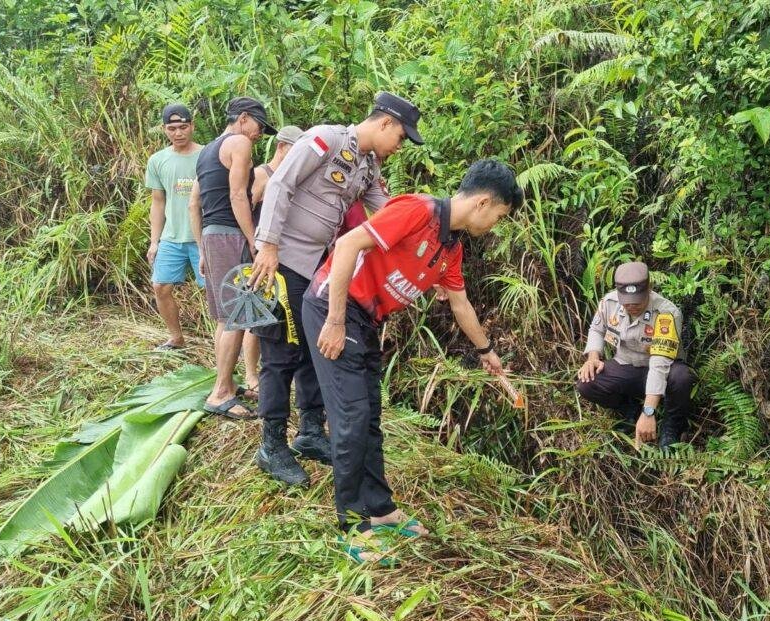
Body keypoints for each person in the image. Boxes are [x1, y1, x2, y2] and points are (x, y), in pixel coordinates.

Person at [303, 159, 524, 564]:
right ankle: (354, 527)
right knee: (350, 418)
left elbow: (461, 304)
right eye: (500, 215)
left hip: (366, 319)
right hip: (333, 309)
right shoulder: (416, 210)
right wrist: (334, 320)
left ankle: (381, 509)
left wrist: (486, 352)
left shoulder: (450, 246)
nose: (496, 223)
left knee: (368, 417)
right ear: (484, 203)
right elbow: (349, 245)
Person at [248, 92, 422, 486]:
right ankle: (271, 444)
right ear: (385, 124)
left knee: (313, 348)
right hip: (284, 259)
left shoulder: (365, 165)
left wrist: (432, 226)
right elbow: (280, 184)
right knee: (280, 351)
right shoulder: (325, 139)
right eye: (400, 137)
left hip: (318, 269)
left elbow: (392, 210)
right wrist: (268, 245)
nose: (399, 147)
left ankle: (310, 431)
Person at [191, 96, 276, 419]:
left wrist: (202, 247)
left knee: (226, 317)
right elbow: (238, 194)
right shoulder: (238, 142)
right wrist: (254, 239)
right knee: (237, 315)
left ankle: (224, 381)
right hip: (231, 233)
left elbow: (195, 203)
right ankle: (220, 393)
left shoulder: (207, 149)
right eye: (259, 126)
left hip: (214, 234)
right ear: (243, 118)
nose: (259, 134)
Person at [576, 261, 696, 449]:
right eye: (627, 302)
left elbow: (659, 363)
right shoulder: (609, 303)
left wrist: (649, 411)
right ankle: (630, 410)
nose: (632, 306)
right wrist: (593, 358)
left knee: (682, 378)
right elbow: (596, 329)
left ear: (649, 288)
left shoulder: (666, 313)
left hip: (663, 371)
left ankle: (671, 425)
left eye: (638, 301)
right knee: (587, 383)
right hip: (627, 366)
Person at [144, 103, 203, 351]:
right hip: (171, 237)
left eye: (183, 127)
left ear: (192, 126)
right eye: (172, 128)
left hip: (202, 237)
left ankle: (231, 340)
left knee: (215, 291)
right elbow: (158, 202)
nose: (178, 133)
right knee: (160, 286)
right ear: (164, 129)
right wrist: (154, 241)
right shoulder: (158, 160)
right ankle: (176, 338)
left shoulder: (207, 154)